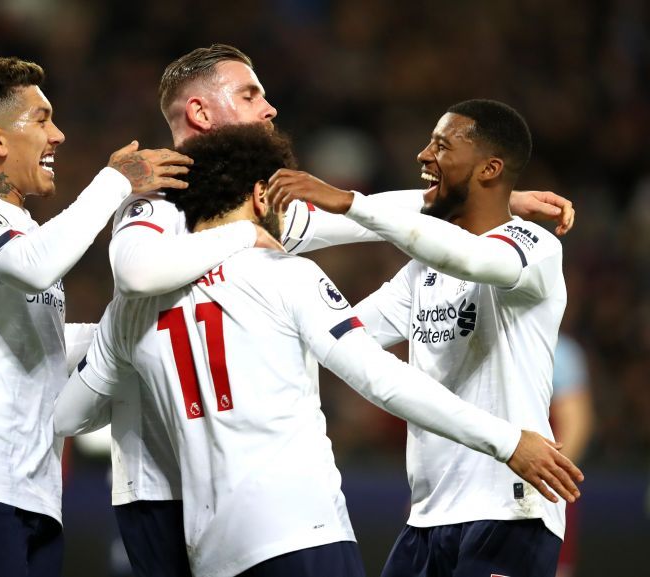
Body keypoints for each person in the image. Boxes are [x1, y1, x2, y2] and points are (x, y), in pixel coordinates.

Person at [66, 44, 578, 577]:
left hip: (240, 512)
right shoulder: (157, 205)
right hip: (170, 491)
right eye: (249, 94)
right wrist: (249, 233)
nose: (270, 108)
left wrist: (491, 199)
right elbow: (137, 273)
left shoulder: (270, 238)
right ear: (200, 112)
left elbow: (352, 216)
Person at [0, 55, 192, 577]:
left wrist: (137, 326)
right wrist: (114, 183)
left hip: (23, 492)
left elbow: (42, 341)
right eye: (42, 118)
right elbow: (32, 267)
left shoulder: (18, 227)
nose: (59, 134)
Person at [265, 99, 570, 577]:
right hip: (429, 516)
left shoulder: (536, 248)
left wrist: (351, 203)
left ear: (490, 168)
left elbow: (472, 259)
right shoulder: (421, 272)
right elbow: (344, 340)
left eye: (442, 146)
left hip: (509, 506)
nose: (423, 156)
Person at [551, 333, 594, 577]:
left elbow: (576, 425)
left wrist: (545, 482)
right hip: (470, 492)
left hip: (543, 490)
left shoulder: (561, 351)